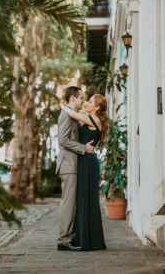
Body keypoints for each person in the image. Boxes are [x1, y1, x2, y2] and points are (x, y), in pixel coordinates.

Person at [61, 93, 108, 251]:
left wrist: (63, 106)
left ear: (97, 107)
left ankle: (86, 240)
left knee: (85, 200)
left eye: (90, 102)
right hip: (85, 161)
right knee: (84, 199)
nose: (87, 104)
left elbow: (73, 114)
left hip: (87, 162)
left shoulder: (93, 119)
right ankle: (84, 238)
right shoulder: (92, 119)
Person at [56, 86, 95, 251]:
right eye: (81, 98)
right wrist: (83, 148)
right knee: (69, 204)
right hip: (68, 165)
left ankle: (69, 237)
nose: (83, 101)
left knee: (71, 204)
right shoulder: (66, 115)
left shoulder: (71, 115)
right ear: (72, 98)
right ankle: (63, 240)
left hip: (72, 164)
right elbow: (63, 140)